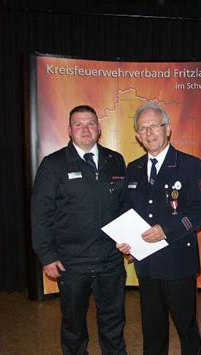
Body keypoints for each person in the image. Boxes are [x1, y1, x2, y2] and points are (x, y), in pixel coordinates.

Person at [31, 105, 127, 354]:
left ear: (99, 128)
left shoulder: (115, 161)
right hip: (71, 262)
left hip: (110, 261)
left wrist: (130, 241)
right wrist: (47, 255)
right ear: (69, 130)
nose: (86, 129)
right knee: (73, 326)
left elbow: (125, 208)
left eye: (91, 123)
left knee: (114, 322)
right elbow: (40, 214)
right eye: (79, 124)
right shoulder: (53, 165)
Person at [117, 102, 201, 355]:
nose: (149, 133)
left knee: (186, 328)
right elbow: (126, 208)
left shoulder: (189, 165)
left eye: (154, 126)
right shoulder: (133, 168)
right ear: (137, 135)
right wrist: (125, 240)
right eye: (143, 128)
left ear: (167, 129)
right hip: (146, 263)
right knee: (152, 328)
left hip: (177, 261)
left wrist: (167, 229)